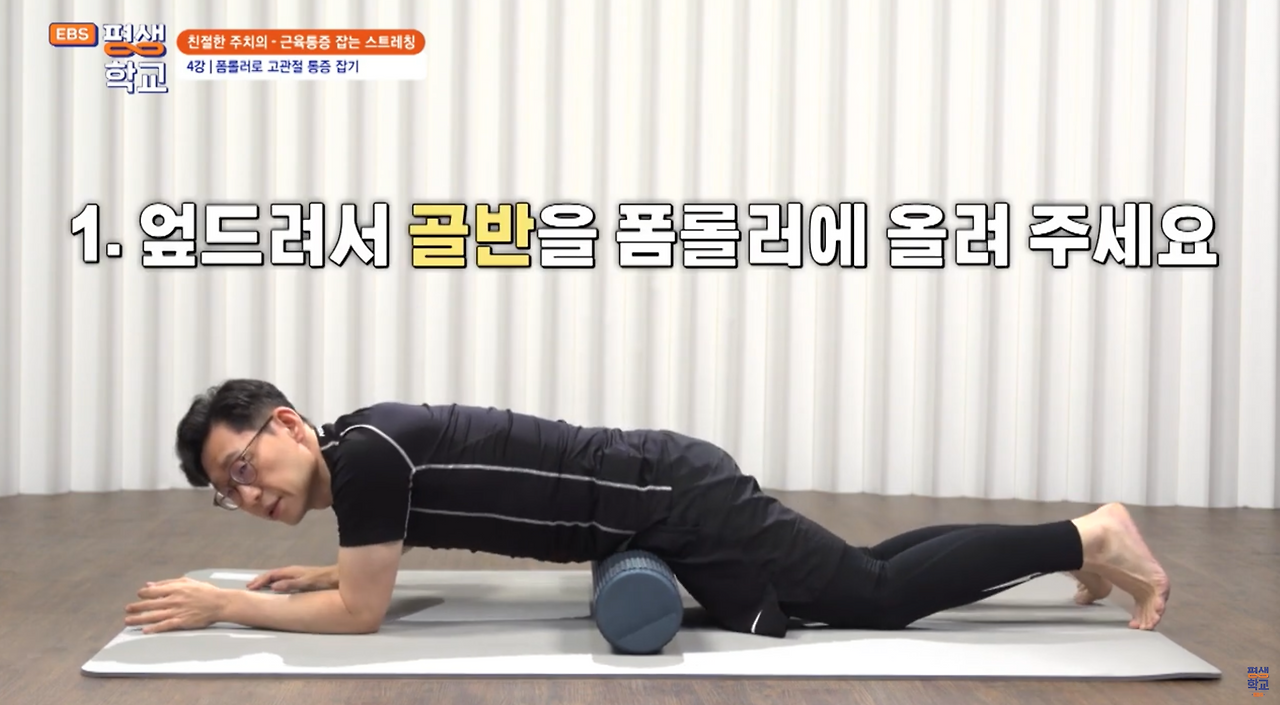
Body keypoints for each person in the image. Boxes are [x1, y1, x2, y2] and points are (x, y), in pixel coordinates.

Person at [125, 378, 1171, 637]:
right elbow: (373, 567)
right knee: (851, 578)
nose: (245, 493)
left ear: (288, 423)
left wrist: (224, 605)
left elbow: (362, 614)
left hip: (670, 500)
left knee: (874, 595)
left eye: (243, 463)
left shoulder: (366, 457)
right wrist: (331, 567)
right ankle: (1070, 549)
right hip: (657, 498)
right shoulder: (364, 452)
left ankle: (1087, 534)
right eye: (226, 491)